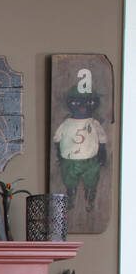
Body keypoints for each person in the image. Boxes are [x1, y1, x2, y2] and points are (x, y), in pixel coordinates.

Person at [53, 85, 107, 213]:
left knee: (91, 181)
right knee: (70, 182)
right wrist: (59, 154)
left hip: (90, 160)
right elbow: (57, 139)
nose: (82, 106)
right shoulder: (67, 123)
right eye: (77, 102)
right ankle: (71, 198)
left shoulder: (93, 123)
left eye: (88, 102)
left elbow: (102, 139)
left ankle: (89, 199)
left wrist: (102, 153)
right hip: (70, 160)